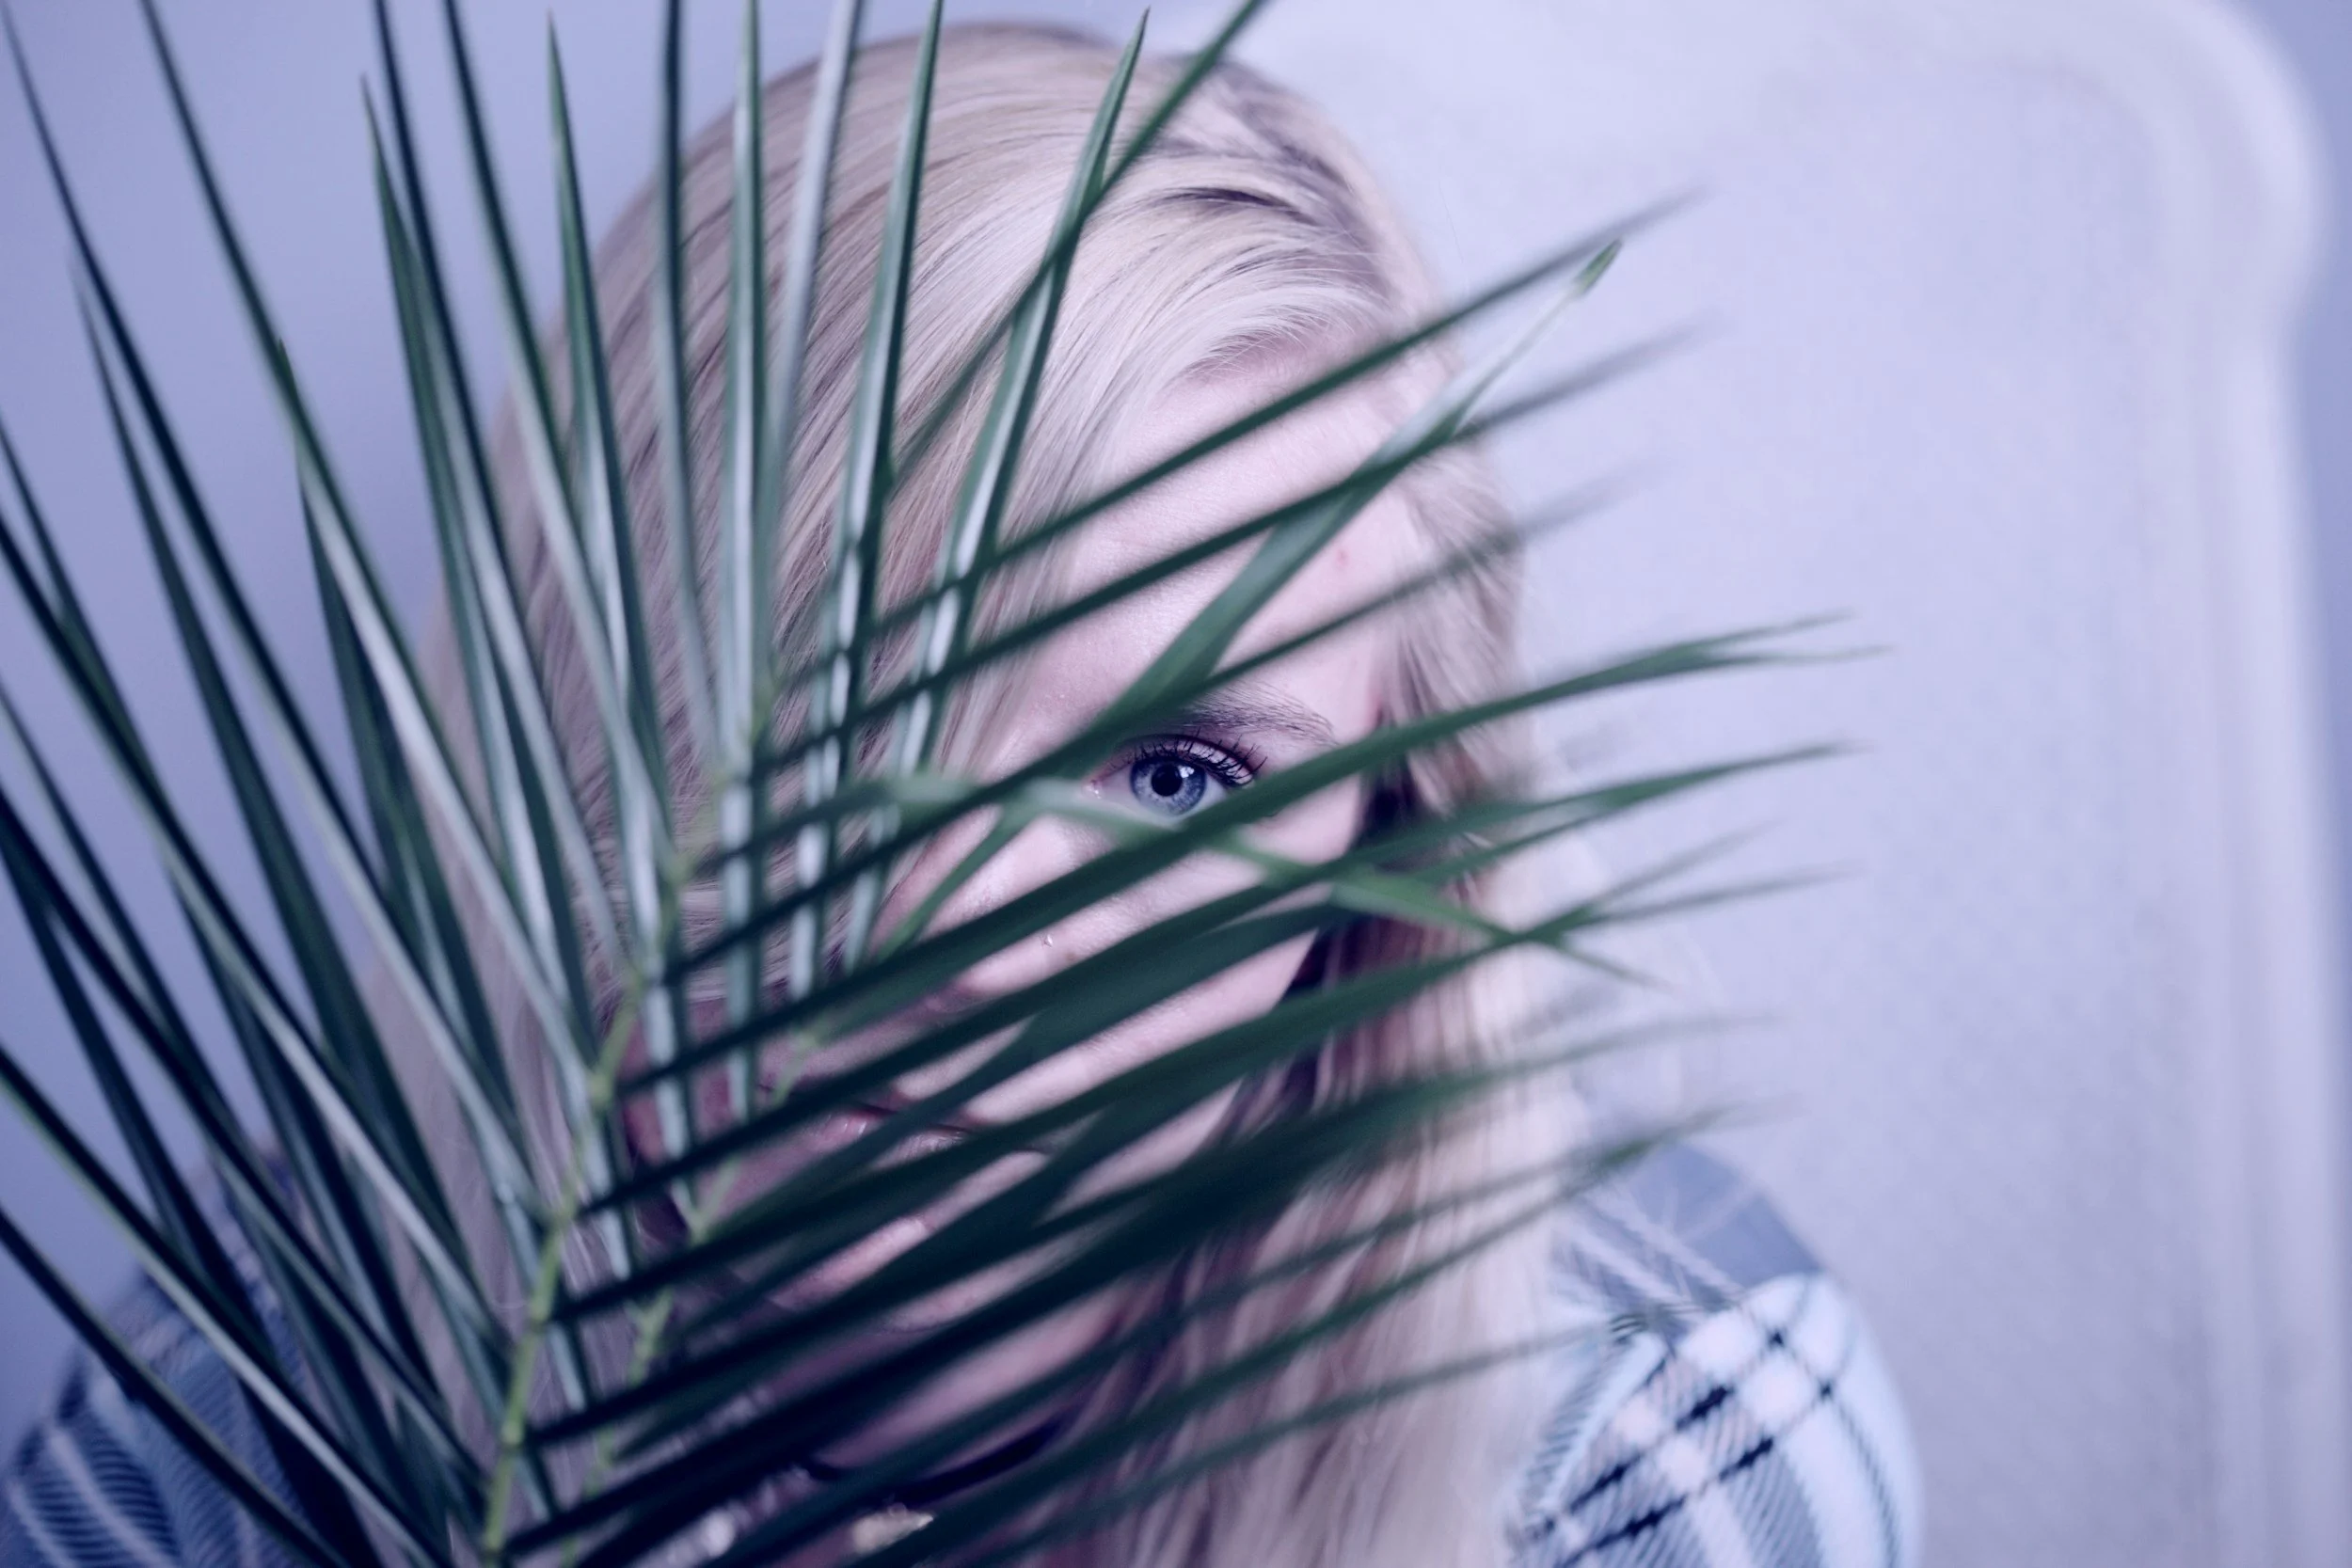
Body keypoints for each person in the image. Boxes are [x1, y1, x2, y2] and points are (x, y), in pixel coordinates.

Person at [0, 22, 1917, 1568]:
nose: (959, 930)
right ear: (576, 708)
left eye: (1180, 773)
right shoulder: (241, 1440)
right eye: (841, 715)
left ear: (1378, 859)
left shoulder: (1645, 1445)